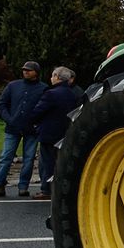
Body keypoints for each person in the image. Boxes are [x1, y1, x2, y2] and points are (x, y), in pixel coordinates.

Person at [0, 60, 45, 198]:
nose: (25, 71)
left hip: (31, 130)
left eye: (29, 70)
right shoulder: (13, 85)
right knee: (6, 157)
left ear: (36, 73)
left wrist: (37, 123)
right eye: (24, 69)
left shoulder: (43, 88)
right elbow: (2, 104)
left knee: (29, 159)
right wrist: (9, 119)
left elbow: (45, 108)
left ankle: (23, 186)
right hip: (12, 128)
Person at [25, 67, 84, 196]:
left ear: (57, 76)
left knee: (47, 163)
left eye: (52, 76)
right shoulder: (73, 93)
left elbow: (37, 112)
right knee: (60, 162)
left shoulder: (51, 93)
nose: (51, 78)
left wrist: (31, 121)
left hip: (49, 133)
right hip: (65, 132)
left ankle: (46, 190)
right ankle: (60, 189)